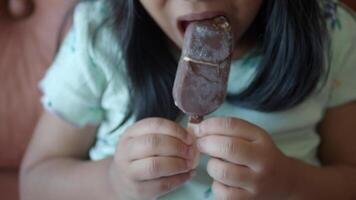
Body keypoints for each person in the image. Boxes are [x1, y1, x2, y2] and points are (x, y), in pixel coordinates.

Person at [20, 0, 356, 199]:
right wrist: (113, 182)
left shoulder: (330, 34)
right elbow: (34, 183)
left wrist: (290, 183)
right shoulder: (100, 38)